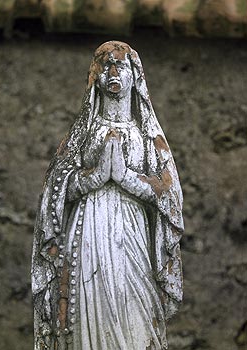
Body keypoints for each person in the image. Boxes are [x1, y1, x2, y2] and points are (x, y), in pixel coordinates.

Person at [32, 41, 184, 350]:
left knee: (136, 316)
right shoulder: (83, 134)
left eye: (121, 66)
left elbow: (169, 194)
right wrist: (94, 177)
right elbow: (54, 191)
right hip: (88, 234)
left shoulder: (147, 136)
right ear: (96, 77)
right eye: (106, 66)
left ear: (134, 76)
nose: (113, 72)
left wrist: (127, 178)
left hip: (134, 236)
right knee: (87, 317)